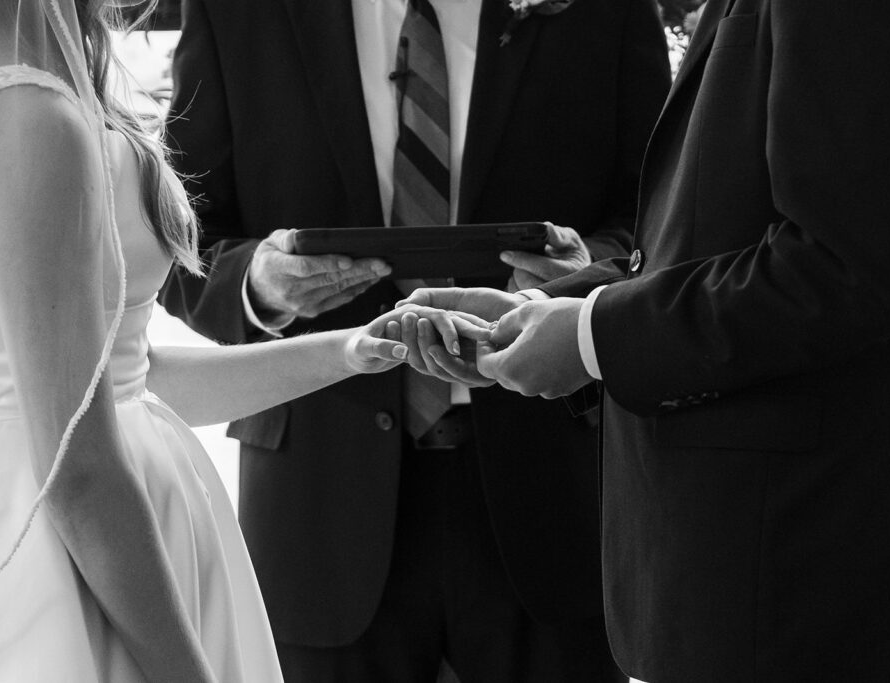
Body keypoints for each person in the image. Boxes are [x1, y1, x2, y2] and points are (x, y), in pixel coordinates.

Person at [403, 0, 890, 680]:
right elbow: (711, 236)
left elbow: (846, 268)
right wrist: (547, 308)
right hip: (734, 579)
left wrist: (592, 338)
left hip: (803, 578)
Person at [0, 0, 470, 679]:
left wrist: (351, 350)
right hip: (48, 552)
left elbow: (131, 381)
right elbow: (79, 470)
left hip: (98, 520)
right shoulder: (24, 116)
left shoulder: (11, 82)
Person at [159, 0, 670, 680]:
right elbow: (174, 234)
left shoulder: (604, 11)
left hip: (552, 491)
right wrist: (256, 281)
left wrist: (586, 278)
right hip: (318, 500)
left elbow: (664, 210)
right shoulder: (240, 13)